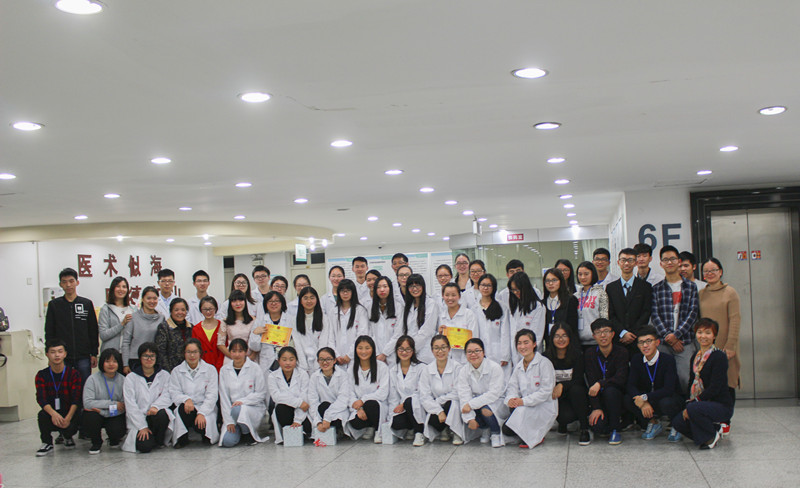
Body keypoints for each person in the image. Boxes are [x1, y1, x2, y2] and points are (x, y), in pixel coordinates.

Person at [671, 318, 732, 449]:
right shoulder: (695, 356)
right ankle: (714, 429)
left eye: (708, 333)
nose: (703, 336)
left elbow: (715, 388)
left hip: (720, 405)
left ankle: (710, 437)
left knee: (693, 409)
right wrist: (688, 402)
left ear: (714, 336)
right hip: (700, 404)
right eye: (699, 332)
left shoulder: (719, 356)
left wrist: (694, 403)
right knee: (678, 422)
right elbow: (690, 382)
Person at [699, 257, 741, 435]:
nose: (710, 274)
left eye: (713, 270)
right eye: (706, 271)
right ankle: (714, 416)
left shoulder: (730, 292)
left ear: (720, 272)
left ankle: (726, 420)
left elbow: (735, 320)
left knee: (728, 382)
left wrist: (730, 345)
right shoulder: (701, 293)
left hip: (725, 345)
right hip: (706, 347)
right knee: (711, 382)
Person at [651, 245, 699, 393]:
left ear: (679, 261)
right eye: (665, 260)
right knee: (662, 379)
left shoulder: (691, 287)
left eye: (672, 259)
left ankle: (685, 405)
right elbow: (655, 315)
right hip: (663, 342)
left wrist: (676, 335)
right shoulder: (657, 288)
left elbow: (693, 313)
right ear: (661, 264)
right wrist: (668, 336)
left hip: (685, 342)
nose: (669, 262)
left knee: (684, 379)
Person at [623, 325, 683, 442]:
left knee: (666, 402)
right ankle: (653, 423)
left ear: (657, 342)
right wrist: (642, 402)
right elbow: (630, 385)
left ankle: (677, 424)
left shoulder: (668, 360)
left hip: (668, 398)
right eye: (641, 342)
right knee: (627, 399)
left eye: (649, 341)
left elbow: (669, 389)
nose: (645, 345)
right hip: (649, 399)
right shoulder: (636, 359)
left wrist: (645, 398)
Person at [502, 329, 557, 449]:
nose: (522, 346)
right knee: (506, 429)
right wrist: (511, 399)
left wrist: (523, 401)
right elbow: (512, 387)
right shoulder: (519, 366)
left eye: (526, 342)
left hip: (543, 406)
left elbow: (545, 391)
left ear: (534, 344)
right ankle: (528, 433)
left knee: (518, 421)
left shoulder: (544, 363)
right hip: (525, 405)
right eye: (519, 343)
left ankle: (536, 435)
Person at [44, 267, 99, 383]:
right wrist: (50, 354)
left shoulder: (86, 304)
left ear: (77, 282)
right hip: (62, 356)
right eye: (64, 282)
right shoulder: (54, 305)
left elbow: (93, 330)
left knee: (84, 386)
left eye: (71, 281)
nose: (68, 285)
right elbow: (49, 331)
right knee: (63, 386)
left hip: (83, 356)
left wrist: (94, 353)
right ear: (60, 284)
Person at [456, 338, 509, 447]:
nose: (473, 354)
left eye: (477, 351)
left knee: (485, 409)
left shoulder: (494, 368)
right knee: (465, 406)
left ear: (483, 352)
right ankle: (485, 429)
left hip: (495, 401)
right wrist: (470, 419)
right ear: (465, 354)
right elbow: (464, 395)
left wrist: (470, 404)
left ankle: (495, 432)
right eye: (469, 352)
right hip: (476, 402)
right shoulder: (463, 371)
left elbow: (494, 394)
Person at [543, 323, 591, 445]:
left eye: (564, 335)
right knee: (565, 416)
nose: (561, 339)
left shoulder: (577, 355)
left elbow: (578, 379)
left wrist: (562, 385)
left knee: (577, 390)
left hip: (574, 395)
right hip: (556, 397)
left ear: (570, 337)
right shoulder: (545, 357)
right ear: (551, 338)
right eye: (557, 336)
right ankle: (562, 424)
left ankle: (584, 429)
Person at [122, 342, 174, 453]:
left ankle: (159, 440)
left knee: (162, 414)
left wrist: (156, 406)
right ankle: (149, 438)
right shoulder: (131, 378)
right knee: (145, 447)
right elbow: (130, 405)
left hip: (155, 415)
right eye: (145, 356)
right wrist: (142, 426)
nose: (149, 359)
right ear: (140, 358)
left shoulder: (164, 375)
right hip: (138, 419)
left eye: (152, 356)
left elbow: (168, 395)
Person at [584, 318, 629, 445]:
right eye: (598, 332)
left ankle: (616, 429)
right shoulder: (589, 354)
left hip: (617, 396)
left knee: (611, 391)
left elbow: (621, 378)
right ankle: (607, 421)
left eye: (606, 331)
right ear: (594, 336)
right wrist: (596, 407)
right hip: (599, 398)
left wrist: (601, 383)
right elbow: (590, 382)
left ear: (613, 334)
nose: (603, 335)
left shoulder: (622, 352)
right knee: (598, 427)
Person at [34, 339, 82, 456]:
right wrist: (53, 414)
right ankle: (47, 443)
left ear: (65, 354)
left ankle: (67, 436)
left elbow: (76, 399)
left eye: (60, 351)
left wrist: (68, 418)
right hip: (52, 412)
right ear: (47, 354)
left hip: (69, 412)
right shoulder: (42, 375)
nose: (57, 355)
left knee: (79, 415)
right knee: (42, 415)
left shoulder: (74, 374)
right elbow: (41, 398)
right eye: (53, 352)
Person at [169, 338, 220, 448]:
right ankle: (183, 438)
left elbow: (212, 395)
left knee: (203, 424)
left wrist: (202, 413)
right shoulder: (177, 371)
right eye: (188, 352)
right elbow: (174, 393)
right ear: (184, 353)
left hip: (205, 407)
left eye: (195, 352)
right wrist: (186, 399)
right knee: (182, 409)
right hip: (187, 409)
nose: (192, 355)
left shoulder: (210, 370)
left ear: (200, 353)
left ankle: (205, 435)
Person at [218, 338, 268, 447]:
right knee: (228, 442)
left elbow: (261, 393)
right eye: (234, 351)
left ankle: (246, 433)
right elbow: (224, 397)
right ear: (230, 352)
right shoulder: (224, 370)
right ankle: (239, 429)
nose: (237, 354)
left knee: (238, 409)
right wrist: (229, 421)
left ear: (246, 352)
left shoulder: (255, 368)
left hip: (252, 408)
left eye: (240, 351)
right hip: (232, 413)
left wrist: (242, 401)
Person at [418, 335, 465, 445]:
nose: (440, 351)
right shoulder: (427, 370)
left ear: (449, 349)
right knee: (431, 415)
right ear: (432, 350)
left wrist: (439, 401)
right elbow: (424, 396)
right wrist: (439, 410)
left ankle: (456, 431)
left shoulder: (457, 367)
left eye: (443, 347)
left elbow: (458, 393)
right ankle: (444, 429)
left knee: (452, 403)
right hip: (435, 407)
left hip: (451, 405)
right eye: (436, 348)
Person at [606, 248, 653, 353]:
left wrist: (632, 333)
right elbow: (610, 314)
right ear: (618, 262)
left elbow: (646, 312)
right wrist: (623, 332)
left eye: (630, 260)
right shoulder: (611, 288)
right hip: (618, 338)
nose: (626, 263)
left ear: (636, 263)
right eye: (623, 260)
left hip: (639, 339)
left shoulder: (645, 287)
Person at [346, 336, 390, 443]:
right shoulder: (351, 368)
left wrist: (363, 400)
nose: (363, 351)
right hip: (359, 406)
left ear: (373, 349)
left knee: (371, 404)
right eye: (360, 348)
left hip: (377, 406)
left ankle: (377, 430)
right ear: (355, 350)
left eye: (367, 348)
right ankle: (369, 426)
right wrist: (359, 408)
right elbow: (349, 392)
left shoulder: (382, 367)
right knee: (355, 423)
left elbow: (383, 392)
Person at [82, 348, 126, 454]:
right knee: (90, 416)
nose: (111, 364)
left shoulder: (123, 380)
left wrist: (103, 411)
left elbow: (123, 406)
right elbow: (87, 403)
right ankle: (96, 442)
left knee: (117, 430)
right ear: (102, 363)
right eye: (107, 361)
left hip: (114, 413)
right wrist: (113, 404)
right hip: (97, 414)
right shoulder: (92, 379)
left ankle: (113, 438)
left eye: (114, 361)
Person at [268, 347, 312, 443]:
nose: (288, 363)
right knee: (281, 407)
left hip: (302, 412)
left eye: (291, 359)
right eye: (284, 360)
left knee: (307, 425)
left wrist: (297, 420)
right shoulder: (273, 376)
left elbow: (304, 398)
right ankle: (291, 433)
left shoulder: (303, 374)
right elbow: (276, 397)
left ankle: (301, 432)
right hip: (285, 412)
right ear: (278, 361)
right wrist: (298, 402)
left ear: (296, 360)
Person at [388, 335, 426, 446]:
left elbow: (422, 392)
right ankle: (412, 427)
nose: (404, 352)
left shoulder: (421, 368)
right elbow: (393, 395)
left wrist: (404, 404)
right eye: (401, 349)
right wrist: (393, 413)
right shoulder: (393, 370)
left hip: (420, 405)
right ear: (396, 351)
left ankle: (419, 432)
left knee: (410, 402)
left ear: (413, 351)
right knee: (395, 423)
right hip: (403, 408)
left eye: (408, 349)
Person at [308, 347, 353, 441]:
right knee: (323, 406)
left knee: (330, 410)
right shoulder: (314, 377)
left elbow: (343, 399)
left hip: (339, 411)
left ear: (334, 360)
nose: (325, 362)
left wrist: (327, 417)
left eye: (328, 359)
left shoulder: (343, 375)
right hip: (321, 412)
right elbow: (313, 401)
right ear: (318, 361)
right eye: (321, 359)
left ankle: (339, 430)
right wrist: (318, 422)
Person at [394, 274, 439, 364]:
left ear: (423, 286)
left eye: (417, 285)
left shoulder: (430, 304)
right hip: (408, 353)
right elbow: (403, 329)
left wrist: (411, 349)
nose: (414, 289)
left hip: (424, 354)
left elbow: (426, 331)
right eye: (411, 286)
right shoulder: (408, 305)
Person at [324, 279, 370, 366]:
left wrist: (349, 355)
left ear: (353, 292)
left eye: (348, 290)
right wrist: (336, 355)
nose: (345, 293)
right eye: (342, 291)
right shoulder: (333, 311)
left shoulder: (360, 310)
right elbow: (330, 337)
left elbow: (362, 335)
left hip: (355, 357)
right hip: (338, 358)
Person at [122, 286, 166, 373]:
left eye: (155, 298)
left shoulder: (161, 318)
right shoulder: (133, 317)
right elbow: (126, 342)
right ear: (143, 299)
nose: (152, 301)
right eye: (148, 298)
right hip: (135, 359)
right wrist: (125, 364)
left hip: (153, 360)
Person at [472, 274, 511, 373]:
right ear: (478, 286)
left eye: (489, 285)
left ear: (493, 287)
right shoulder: (473, 309)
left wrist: (505, 355)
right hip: (480, 353)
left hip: (498, 352)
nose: (485, 288)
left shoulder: (502, 307)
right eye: (483, 285)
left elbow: (505, 332)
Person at [249, 291, 290, 375]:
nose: (273, 304)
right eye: (270, 301)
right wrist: (255, 334)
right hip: (266, 363)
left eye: (276, 301)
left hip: (286, 360)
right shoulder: (260, 321)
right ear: (265, 304)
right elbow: (255, 348)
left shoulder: (290, 320)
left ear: (282, 303)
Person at [507, 272, 544, 366]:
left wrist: (526, 352)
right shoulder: (515, 306)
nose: (516, 293)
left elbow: (537, 335)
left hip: (531, 354)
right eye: (513, 290)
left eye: (518, 289)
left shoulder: (537, 307)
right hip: (516, 353)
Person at [438, 283, 479, 364]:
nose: (450, 298)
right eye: (447, 295)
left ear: (459, 296)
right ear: (443, 296)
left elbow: (474, 338)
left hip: (465, 359)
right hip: (446, 359)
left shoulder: (469, 314)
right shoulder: (441, 316)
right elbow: (438, 340)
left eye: (453, 295)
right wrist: (439, 333)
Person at [575, 262, 609, 348]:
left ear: (593, 274)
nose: (583, 277)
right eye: (580, 274)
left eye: (586, 274)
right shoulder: (575, 296)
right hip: (578, 342)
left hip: (597, 341)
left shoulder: (600, 293)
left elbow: (604, 318)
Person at [292, 286, 326, 372]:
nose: (309, 301)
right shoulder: (294, 320)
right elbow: (297, 344)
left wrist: (318, 364)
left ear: (317, 300)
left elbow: (324, 342)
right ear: (300, 301)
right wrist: (303, 366)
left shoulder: (324, 319)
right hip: (301, 364)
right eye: (305, 298)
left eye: (312, 298)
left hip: (321, 363)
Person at [370, 276, 402, 364]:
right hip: (375, 354)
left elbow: (398, 334)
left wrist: (384, 353)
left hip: (393, 354)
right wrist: (377, 354)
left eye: (385, 286)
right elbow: (370, 333)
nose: (382, 290)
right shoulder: (369, 307)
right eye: (379, 287)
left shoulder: (398, 307)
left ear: (390, 288)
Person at [542, 268, 579, 344]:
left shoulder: (570, 300)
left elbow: (573, 327)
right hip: (550, 345)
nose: (550, 283)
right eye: (547, 281)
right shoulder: (542, 303)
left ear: (561, 281)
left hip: (568, 344)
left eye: (554, 280)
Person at [154, 298, 193, 372]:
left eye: (183, 310)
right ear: (171, 311)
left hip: (188, 369)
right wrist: (169, 371)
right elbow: (161, 353)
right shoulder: (164, 327)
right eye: (176, 310)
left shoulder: (191, 327)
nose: (180, 312)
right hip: (170, 370)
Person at [218, 290, 255, 365]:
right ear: (230, 303)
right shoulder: (225, 321)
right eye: (234, 301)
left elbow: (257, 341)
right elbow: (220, 344)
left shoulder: (253, 320)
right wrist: (234, 357)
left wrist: (251, 357)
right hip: (231, 358)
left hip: (249, 358)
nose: (238, 304)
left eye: (241, 300)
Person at [99, 276, 133, 353]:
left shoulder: (132, 309)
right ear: (112, 289)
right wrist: (122, 324)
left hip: (127, 353)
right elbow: (103, 335)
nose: (121, 289)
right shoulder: (106, 309)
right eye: (118, 286)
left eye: (124, 287)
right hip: (110, 354)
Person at [191, 296, 224, 372]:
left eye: (210, 309)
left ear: (216, 309)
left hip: (220, 366)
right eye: (205, 309)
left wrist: (219, 366)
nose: (208, 312)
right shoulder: (196, 329)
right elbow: (195, 350)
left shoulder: (222, 326)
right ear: (201, 310)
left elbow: (224, 349)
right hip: (202, 368)